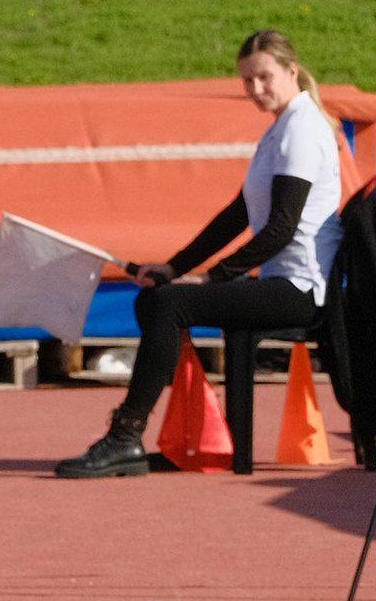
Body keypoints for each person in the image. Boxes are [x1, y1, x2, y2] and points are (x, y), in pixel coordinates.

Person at [57, 26, 344, 478]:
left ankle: (126, 436)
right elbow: (236, 215)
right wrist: (174, 266)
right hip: (278, 280)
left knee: (166, 304)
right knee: (159, 295)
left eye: (265, 77)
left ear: (291, 71)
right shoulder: (281, 129)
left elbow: (282, 230)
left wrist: (212, 278)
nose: (256, 89)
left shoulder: (302, 132)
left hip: (299, 290)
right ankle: (162, 436)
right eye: (247, 81)